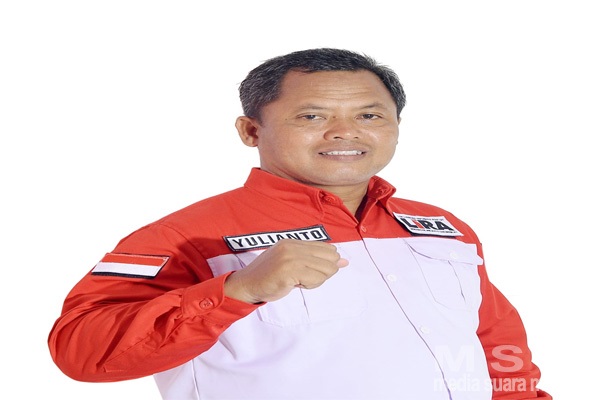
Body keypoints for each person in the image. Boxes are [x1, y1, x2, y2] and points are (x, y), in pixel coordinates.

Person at [48, 48, 551, 399]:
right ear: (251, 130)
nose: (345, 133)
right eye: (312, 117)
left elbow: (496, 341)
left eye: (370, 116)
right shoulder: (186, 235)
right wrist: (237, 291)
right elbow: (80, 352)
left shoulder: (440, 227)